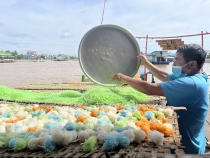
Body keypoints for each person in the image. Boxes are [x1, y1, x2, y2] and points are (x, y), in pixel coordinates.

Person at [110, 44, 209, 154]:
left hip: (186, 147)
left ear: (192, 64)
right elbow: (163, 75)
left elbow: (150, 88)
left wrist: (124, 78)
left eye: (177, 60)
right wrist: (146, 63)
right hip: (195, 140)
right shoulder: (194, 76)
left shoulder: (192, 83)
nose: (173, 63)